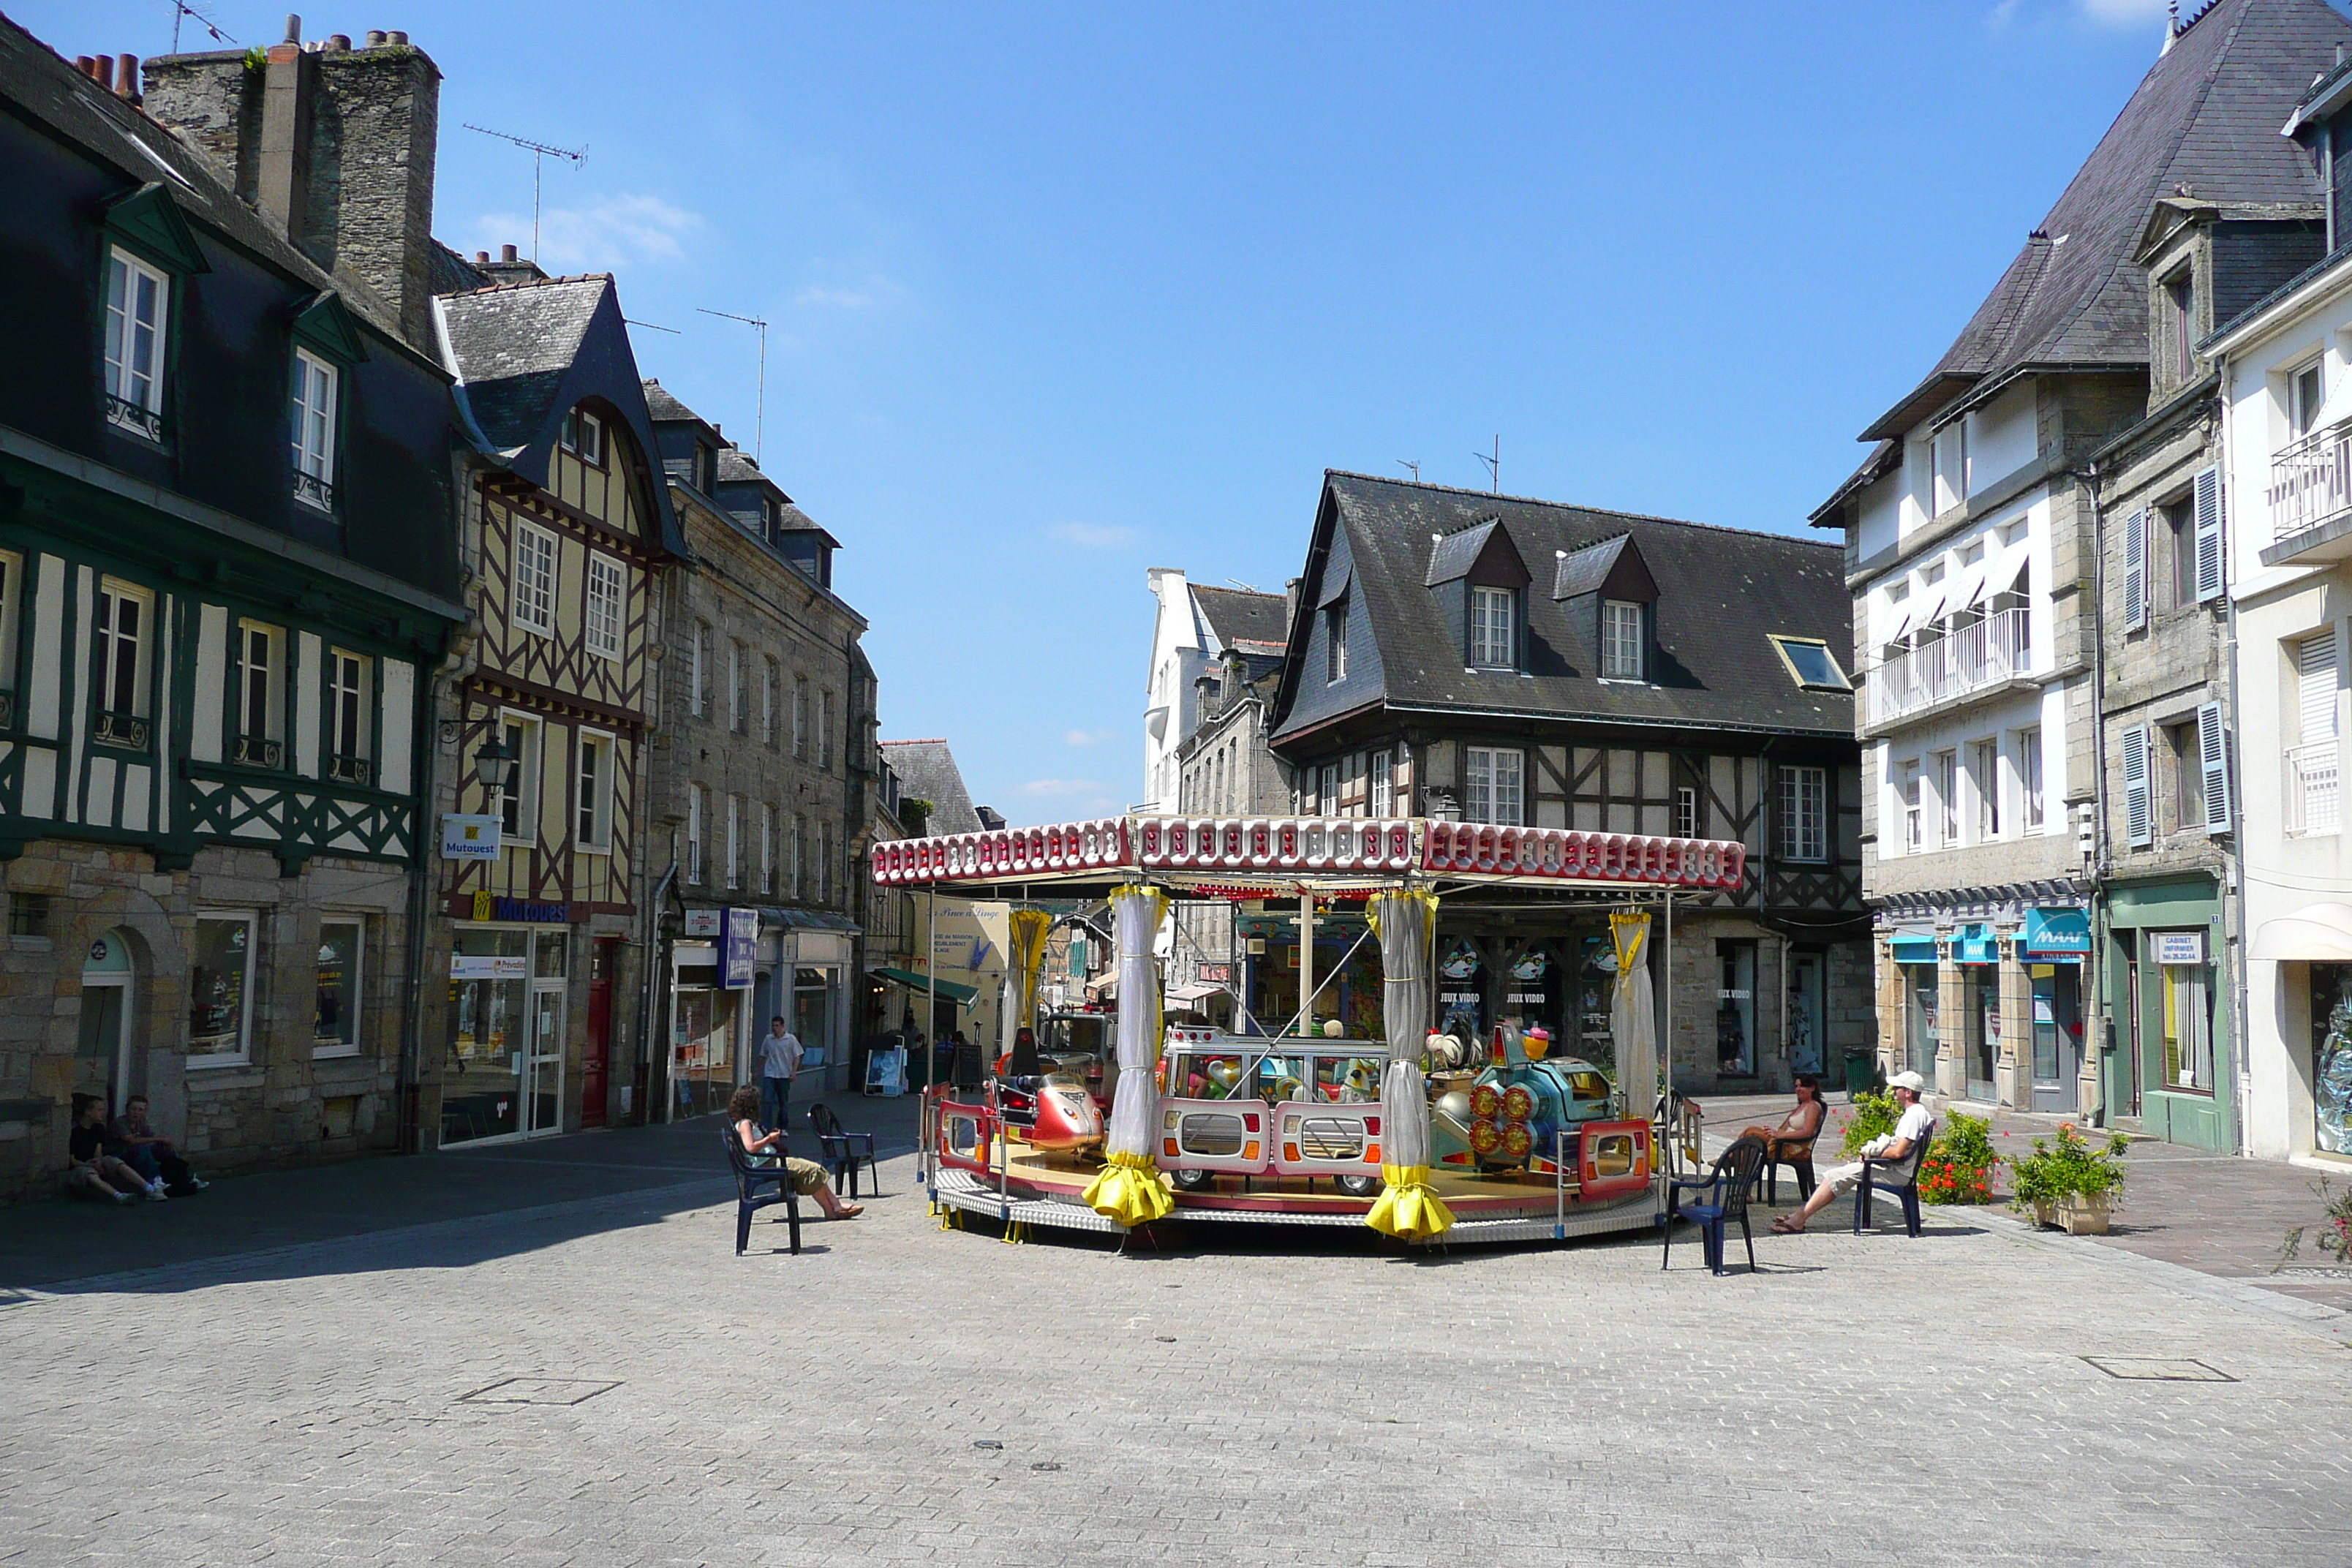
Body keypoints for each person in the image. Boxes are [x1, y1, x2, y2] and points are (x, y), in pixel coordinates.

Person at [1774, 1071, 1931, 1234]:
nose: (1893, 1091)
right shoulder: (1919, 1113)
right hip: (1899, 1170)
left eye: (1897, 1088)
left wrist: (1874, 1156)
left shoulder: (1912, 1117)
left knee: (1835, 1177)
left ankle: (1799, 1219)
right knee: (1838, 1174)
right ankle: (1798, 1215)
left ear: (1908, 1093)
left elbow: (1898, 1152)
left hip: (1897, 1174)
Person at [726, 1085, 861, 1219]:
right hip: (767, 1163)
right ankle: (834, 1207)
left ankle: (833, 1208)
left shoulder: (749, 1123)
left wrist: (773, 1141)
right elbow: (751, 1147)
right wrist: (769, 1139)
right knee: (812, 1169)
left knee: (813, 1170)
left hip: (771, 1160)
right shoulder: (745, 1124)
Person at [106, 1094, 206, 1196]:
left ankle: (187, 1177)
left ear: (144, 1112)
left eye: (140, 1110)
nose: (136, 1112)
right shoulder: (120, 1123)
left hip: (137, 1153)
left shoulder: (141, 1124)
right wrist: (160, 1139)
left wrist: (167, 1145)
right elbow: (131, 1141)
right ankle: (155, 1180)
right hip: (120, 1154)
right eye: (133, 1109)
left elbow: (150, 1138)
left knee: (162, 1148)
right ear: (127, 1109)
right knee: (143, 1149)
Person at [67, 1094, 159, 1204]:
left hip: (95, 1162)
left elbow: (98, 1151)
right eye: (100, 1110)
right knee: (90, 1174)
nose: (103, 1113)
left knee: (113, 1161)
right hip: (81, 1166)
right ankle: (119, 1196)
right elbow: (72, 1160)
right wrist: (89, 1165)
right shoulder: (75, 1132)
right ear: (88, 1112)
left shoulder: (98, 1128)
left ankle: (149, 1188)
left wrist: (98, 1161)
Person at [1739, 1073, 1827, 1164]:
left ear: (1812, 1088)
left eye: (1802, 1086)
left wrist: (1779, 1135)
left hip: (1792, 1148)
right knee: (1751, 1140)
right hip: (1783, 1142)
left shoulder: (1813, 1106)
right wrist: (1772, 1132)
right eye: (1796, 1086)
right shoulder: (1802, 1105)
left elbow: (1807, 1132)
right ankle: (1737, 1165)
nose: (1798, 1089)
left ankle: (1733, 1163)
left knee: (1751, 1132)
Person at [758, 1016, 802, 1133]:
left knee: (783, 1102)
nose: (775, 1028)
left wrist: (794, 1072)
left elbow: (797, 1056)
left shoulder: (790, 1039)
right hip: (770, 1073)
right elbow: (763, 1055)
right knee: (767, 1100)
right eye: (773, 1026)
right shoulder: (768, 1039)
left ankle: (782, 1127)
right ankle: (766, 1126)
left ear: (782, 1026)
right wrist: (757, 1070)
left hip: (784, 1075)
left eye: (777, 1026)